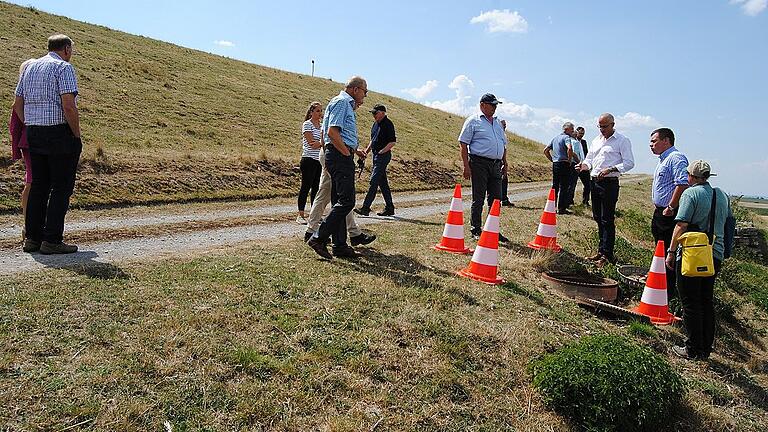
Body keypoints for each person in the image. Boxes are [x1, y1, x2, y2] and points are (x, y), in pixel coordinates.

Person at [13, 34, 82, 255]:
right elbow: (69, 105)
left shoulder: (31, 68)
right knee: (61, 187)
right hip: (58, 133)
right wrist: (76, 134)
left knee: (39, 186)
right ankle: (52, 239)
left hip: (34, 132)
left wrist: (31, 123)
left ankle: (32, 238)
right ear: (67, 49)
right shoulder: (64, 68)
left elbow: (17, 103)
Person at [666, 160, 732, 360]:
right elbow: (729, 221)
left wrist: (671, 251)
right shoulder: (721, 195)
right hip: (715, 254)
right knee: (705, 300)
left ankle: (692, 348)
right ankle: (705, 348)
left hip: (693, 254)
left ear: (692, 177)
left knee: (690, 301)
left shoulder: (691, 194)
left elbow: (681, 225)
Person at [307, 76, 368, 259]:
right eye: (365, 91)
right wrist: (345, 152)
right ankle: (318, 237)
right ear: (355, 89)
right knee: (347, 201)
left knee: (339, 201)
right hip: (340, 155)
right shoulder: (342, 102)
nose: (366, 95)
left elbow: (329, 132)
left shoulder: (344, 104)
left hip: (337, 154)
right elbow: (332, 132)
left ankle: (340, 245)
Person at [577, 113, 635, 266]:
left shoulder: (622, 140)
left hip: (609, 183)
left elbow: (629, 163)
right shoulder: (597, 140)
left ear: (612, 125)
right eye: (600, 126)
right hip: (595, 181)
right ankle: (600, 251)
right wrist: (584, 166)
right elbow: (590, 159)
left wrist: (611, 169)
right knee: (597, 217)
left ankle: (607, 254)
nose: (602, 129)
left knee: (607, 219)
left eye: (605, 126)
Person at [459, 93, 509, 242]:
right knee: (479, 197)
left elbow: (503, 144)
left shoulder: (498, 123)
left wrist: (505, 162)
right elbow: (463, 144)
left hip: (496, 164)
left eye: (495, 105)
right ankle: (476, 229)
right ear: (482, 105)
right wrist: (466, 166)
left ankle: (492, 229)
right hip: (479, 163)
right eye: (492, 105)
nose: (494, 108)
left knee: (496, 199)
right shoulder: (473, 121)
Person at [650, 127, 688, 299]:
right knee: (659, 249)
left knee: (667, 252)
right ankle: (660, 286)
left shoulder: (676, 158)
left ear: (666, 140)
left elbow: (682, 183)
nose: (651, 145)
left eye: (654, 141)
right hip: (661, 212)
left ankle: (667, 293)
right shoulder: (663, 159)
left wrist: (671, 207)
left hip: (669, 214)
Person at [8, 59, 36, 240]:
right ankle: (29, 225)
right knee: (32, 183)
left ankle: (30, 225)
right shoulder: (26, 96)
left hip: (29, 142)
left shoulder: (26, 94)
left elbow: (14, 127)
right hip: (32, 142)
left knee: (33, 183)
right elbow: (15, 126)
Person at [355, 103, 396, 216]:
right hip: (376, 156)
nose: (373, 115)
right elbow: (373, 141)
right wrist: (366, 152)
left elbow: (392, 141)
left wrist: (382, 151)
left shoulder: (388, 124)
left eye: (375, 113)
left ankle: (365, 208)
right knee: (382, 183)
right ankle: (390, 208)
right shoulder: (375, 124)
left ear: (382, 113)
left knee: (373, 181)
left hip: (383, 156)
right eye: (373, 113)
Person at [296, 102, 323, 224]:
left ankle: (314, 214)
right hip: (308, 159)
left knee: (316, 188)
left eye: (320, 111)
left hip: (319, 160)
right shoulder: (307, 124)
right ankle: (300, 214)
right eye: (317, 111)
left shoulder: (322, 126)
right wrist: (323, 142)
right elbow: (312, 143)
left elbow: (321, 142)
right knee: (305, 187)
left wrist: (321, 143)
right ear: (311, 112)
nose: (319, 113)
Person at [544, 122, 575, 214]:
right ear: (566, 129)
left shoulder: (555, 138)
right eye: (572, 129)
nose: (573, 130)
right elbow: (569, 148)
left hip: (556, 164)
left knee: (555, 186)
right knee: (564, 186)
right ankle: (561, 208)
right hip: (564, 163)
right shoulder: (566, 138)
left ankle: (551, 207)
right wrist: (569, 160)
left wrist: (552, 159)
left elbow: (545, 150)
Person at [499, 119, 514, 207]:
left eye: (505, 125)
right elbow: (503, 149)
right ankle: (503, 199)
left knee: (504, 180)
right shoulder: (501, 134)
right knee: (502, 180)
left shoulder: (503, 134)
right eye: (503, 125)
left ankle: (504, 198)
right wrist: (504, 161)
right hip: (498, 160)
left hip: (500, 159)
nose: (505, 126)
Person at [575, 126, 591, 206]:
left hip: (584, 166)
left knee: (588, 184)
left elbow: (587, 153)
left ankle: (585, 201)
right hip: (575, 165)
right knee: (572, 185)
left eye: (583, 134)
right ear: (576, 132)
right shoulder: (573, 141)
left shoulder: (584, 142)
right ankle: (570, 201)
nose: (581, 135)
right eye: (580, 133)